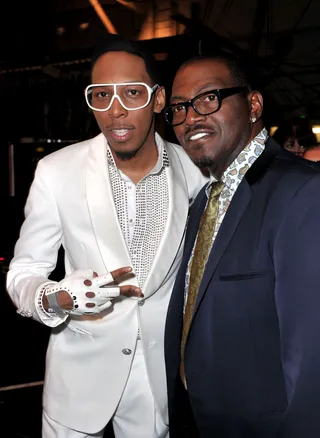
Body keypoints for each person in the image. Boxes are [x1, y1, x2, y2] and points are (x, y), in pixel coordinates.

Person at [6, 36, 207, 438]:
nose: (115, 111)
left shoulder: (195, 171)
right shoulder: (57, 171)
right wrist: (57, 297)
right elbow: (23, 273)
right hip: (78, 381)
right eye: (101, 95)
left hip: (156, 382)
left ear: (158, 98)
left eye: (132, 92)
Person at [164, 53, 320, 438]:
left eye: (208, 98)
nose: (191, 118)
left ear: (253, 105)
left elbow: (311, 356)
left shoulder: (301, 191)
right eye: (179, 108)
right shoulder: (206, 199)